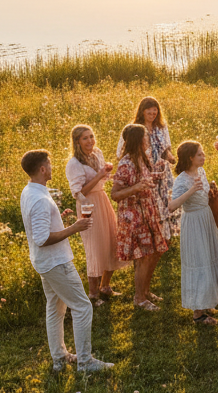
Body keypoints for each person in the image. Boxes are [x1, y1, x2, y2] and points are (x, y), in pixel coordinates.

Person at [19, 149, 113, 373]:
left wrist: (59, 221)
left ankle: (60, 358)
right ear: (43, 169)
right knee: (82, 307)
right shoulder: (39, 199)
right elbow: (42, 239)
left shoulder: (29, 191)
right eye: (49, 164)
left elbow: (39, 227)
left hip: (44, 262)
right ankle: (85, 362)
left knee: (55, 307)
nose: (52, 167)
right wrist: (74, 228)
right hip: (56, 263)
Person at [170, 141, 218, 325]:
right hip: (193, 222)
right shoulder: (182, 180)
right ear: (190, 157)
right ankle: (198, 314)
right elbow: (172, 206)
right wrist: (192, 190)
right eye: (200, 154)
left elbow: (204, 194)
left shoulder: (201, 172)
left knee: (209, 257)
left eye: (203, 153)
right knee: (199, 261)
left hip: (206, 219)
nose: (203, 157)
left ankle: (206, 301)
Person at [111, 123, 169, 310]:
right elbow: (115, 194)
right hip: (134, 215)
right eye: (145, 137)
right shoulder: (126, 163)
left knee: (152, 252)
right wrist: (136, 187)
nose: (148, 140)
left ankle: (145, 291)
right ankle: (139, 298)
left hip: (147, 210)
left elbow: (141, 180)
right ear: (138, 140)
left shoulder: (141, 158)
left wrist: (154, 176)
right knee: (143, 256)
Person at [65, 125, 125, 304]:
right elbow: (79, 193)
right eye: (85, 138)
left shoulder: (97, 153)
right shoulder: (74, 164)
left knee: (111, 240)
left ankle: (105, 286)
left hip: (102, 199)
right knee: (94, 247)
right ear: (77, 141)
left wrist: (109, 174)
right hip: (87, 205)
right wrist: (99, 175)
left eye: (91, 136)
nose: (90, 141)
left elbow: (103, 179)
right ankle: (93, 294)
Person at [120, 96, 179, 240]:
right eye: (149, 112)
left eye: (155, 111)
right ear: (142, 112)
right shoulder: (135, 128)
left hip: (162, 172)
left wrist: (171, 157)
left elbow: (166, 148)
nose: (153, 114)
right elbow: (121, 152)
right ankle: (153, 235)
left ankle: (167, 236)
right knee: (151, 204)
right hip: (144, 172)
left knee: (166, 201)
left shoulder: (161, 127)